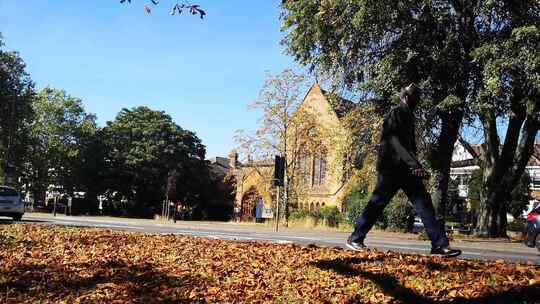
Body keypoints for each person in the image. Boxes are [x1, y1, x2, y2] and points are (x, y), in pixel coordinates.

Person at [346, 83, 462, 258]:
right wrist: (414, 164)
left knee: (424, 204)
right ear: (407, 96)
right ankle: (355, 238)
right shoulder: (396, 113)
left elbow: (410, 147)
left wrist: (416, 166)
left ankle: (439, 244)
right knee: (377, 203)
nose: (418, 101)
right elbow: (394, 141)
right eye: (416, 97)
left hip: (407, 170)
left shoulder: (409, 117)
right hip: (391, 169)